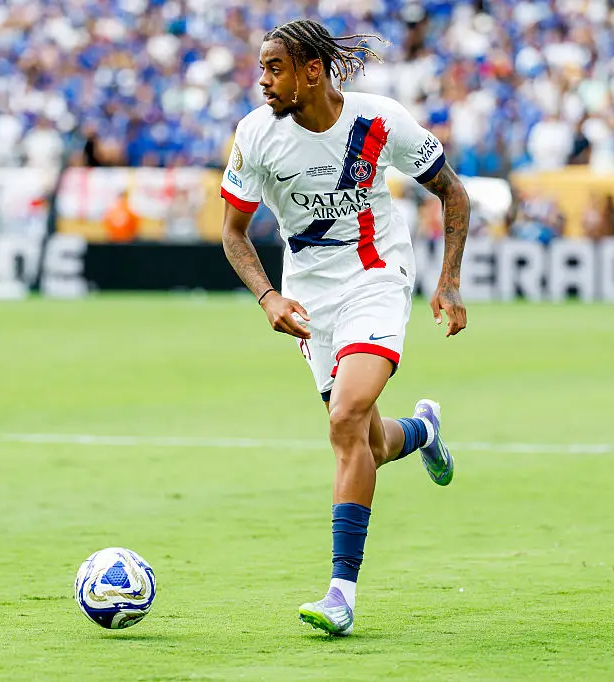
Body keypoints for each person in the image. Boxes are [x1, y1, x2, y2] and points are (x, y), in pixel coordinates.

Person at [219, 19, 469, 637]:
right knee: (369, 441)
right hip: (309, 297)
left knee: (344, 418)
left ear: (312, 71)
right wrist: (268, 296)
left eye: (274, 67)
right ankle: (422, 429)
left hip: (377, 274)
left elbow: (453, 192)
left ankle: (341, 594)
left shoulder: (378, 119)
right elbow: (232, 233)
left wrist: (449, 281)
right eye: (262, 67)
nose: (263, 79)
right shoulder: (255, 135)